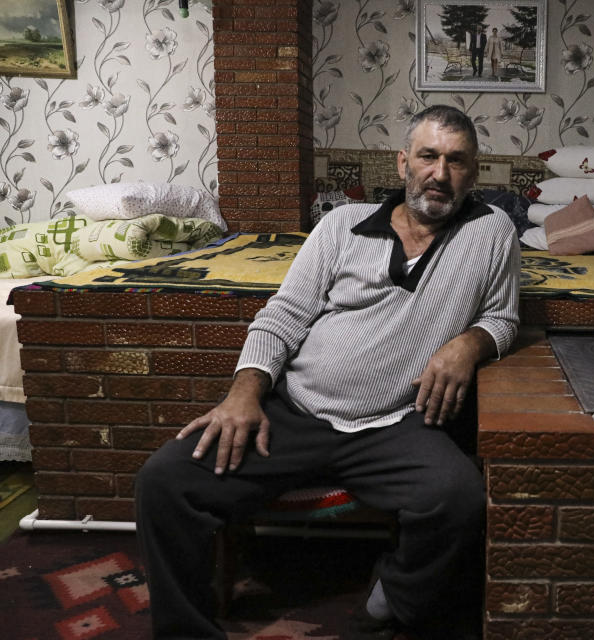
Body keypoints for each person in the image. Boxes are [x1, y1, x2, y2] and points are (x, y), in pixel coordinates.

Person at [135, 105, 521, 640]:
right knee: (165, 481)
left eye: (457, 161)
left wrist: (469, 343)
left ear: (473, 174)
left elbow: (502, 318)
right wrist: (245, 393)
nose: (440, 173)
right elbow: (284, 315)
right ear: (403, 162)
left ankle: (396, 599)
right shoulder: (342, 224)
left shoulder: (493, 232)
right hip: (297, 411)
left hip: (396, 424)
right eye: (428, 157)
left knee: (459, 499)